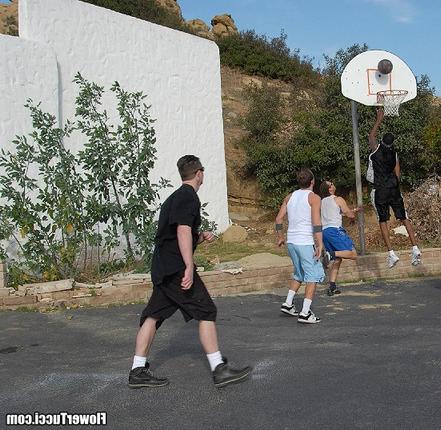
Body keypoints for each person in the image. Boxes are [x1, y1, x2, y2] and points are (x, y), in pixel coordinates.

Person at [128, 155, 251, 389]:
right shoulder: (189, 197)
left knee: (153, 315)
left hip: (163, 266)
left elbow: (175, 233)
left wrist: (200, 237)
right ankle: (219, 369)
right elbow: (182, 231)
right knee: (206, 310)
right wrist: (188, 267)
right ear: (199, 173)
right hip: (175, 268)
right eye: (202, 172)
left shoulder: (174, 198)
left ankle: (137, 370)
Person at [368, 108, 421, 268]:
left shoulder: (376, 150)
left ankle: (391, 253)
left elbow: (370, 136)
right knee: (404, 218)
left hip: (380, 189)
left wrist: (379, 119)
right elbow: (398, 174)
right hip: (394, 188)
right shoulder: (394, 155)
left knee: (382, 220)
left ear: (382, 142)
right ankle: (415, 247)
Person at [276, 168, 325, 324]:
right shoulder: (314, 198)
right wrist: (320, 244)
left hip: (291, 242)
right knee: (313, 276)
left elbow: (278, 220)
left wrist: (280, 237)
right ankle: (305, 312)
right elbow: (316, 223)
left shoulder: (289, 197)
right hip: (305, 242)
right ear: (312, 182)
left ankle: (288, 303)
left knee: (299, 273)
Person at [318, 180, 360, 296]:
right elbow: (349, 214)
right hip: (335, 230)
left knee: (338, 259)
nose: (333, 184)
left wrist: (352, 211)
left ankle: (332, 286)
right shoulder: (338, 199)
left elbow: (337, 213)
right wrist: (353, 214)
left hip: (325, 232)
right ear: (329, 189)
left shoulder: (322, 202)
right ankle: (330, 254)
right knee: (353, 254)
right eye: (331, 184)